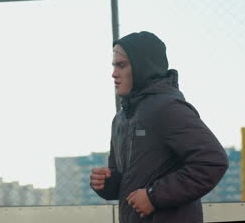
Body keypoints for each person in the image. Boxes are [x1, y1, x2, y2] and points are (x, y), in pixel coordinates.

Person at [89, 31, 228, 222]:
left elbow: (212, 161)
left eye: (121, 65)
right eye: (114, 65)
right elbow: (130, 181)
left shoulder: (167, 108)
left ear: (143, 67)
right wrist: (108, 182)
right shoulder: (120, 120)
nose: (113, 73)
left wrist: (154, 196)